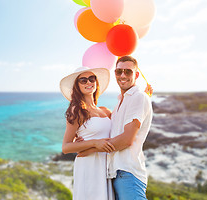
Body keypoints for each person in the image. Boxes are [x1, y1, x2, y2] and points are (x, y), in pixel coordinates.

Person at [78, 56, 153, 200]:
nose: (123, 75)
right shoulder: (122, 101)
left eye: (128, 72)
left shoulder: (138, 97)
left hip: (129, 173)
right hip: (116, 174)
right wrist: (84, 139)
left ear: (136, 75)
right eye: (119, 72)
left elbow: (126, 140)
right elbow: (111, 130)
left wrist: (90, 149)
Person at [60, 66, 115, 200]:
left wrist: (144, 97)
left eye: (92, 79)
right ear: (77, 86)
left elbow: (123, 125)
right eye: (83, 80)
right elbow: (66, 147)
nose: (89, 83)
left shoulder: (105, 111)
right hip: (89, 165)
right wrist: (95, 143)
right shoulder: (77, 111)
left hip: (107, 165)